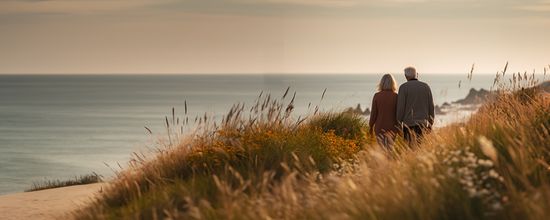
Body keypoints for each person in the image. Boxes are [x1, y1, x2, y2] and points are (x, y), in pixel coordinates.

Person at [396, 67, 435, 147]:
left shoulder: (403, 88)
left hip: (408, 124)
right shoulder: (425, 86)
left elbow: (400, 108)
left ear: (405, 76)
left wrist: (398, 124)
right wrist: (430, 124)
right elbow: (431, 106)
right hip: (422, 124)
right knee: (420, 148)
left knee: (409, 149)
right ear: (417, 75)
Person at [369, 74, 399, 151]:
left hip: (379, 127)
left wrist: (371, 126)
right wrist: (400, 128)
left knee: (381, 150)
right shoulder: (396, 96)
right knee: (390, 149)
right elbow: (398, 114)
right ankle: (389, 162)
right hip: (392, 128)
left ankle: (382, 163)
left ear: (381, 83)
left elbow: (373, 114)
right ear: (393, 83)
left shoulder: (377, 96)